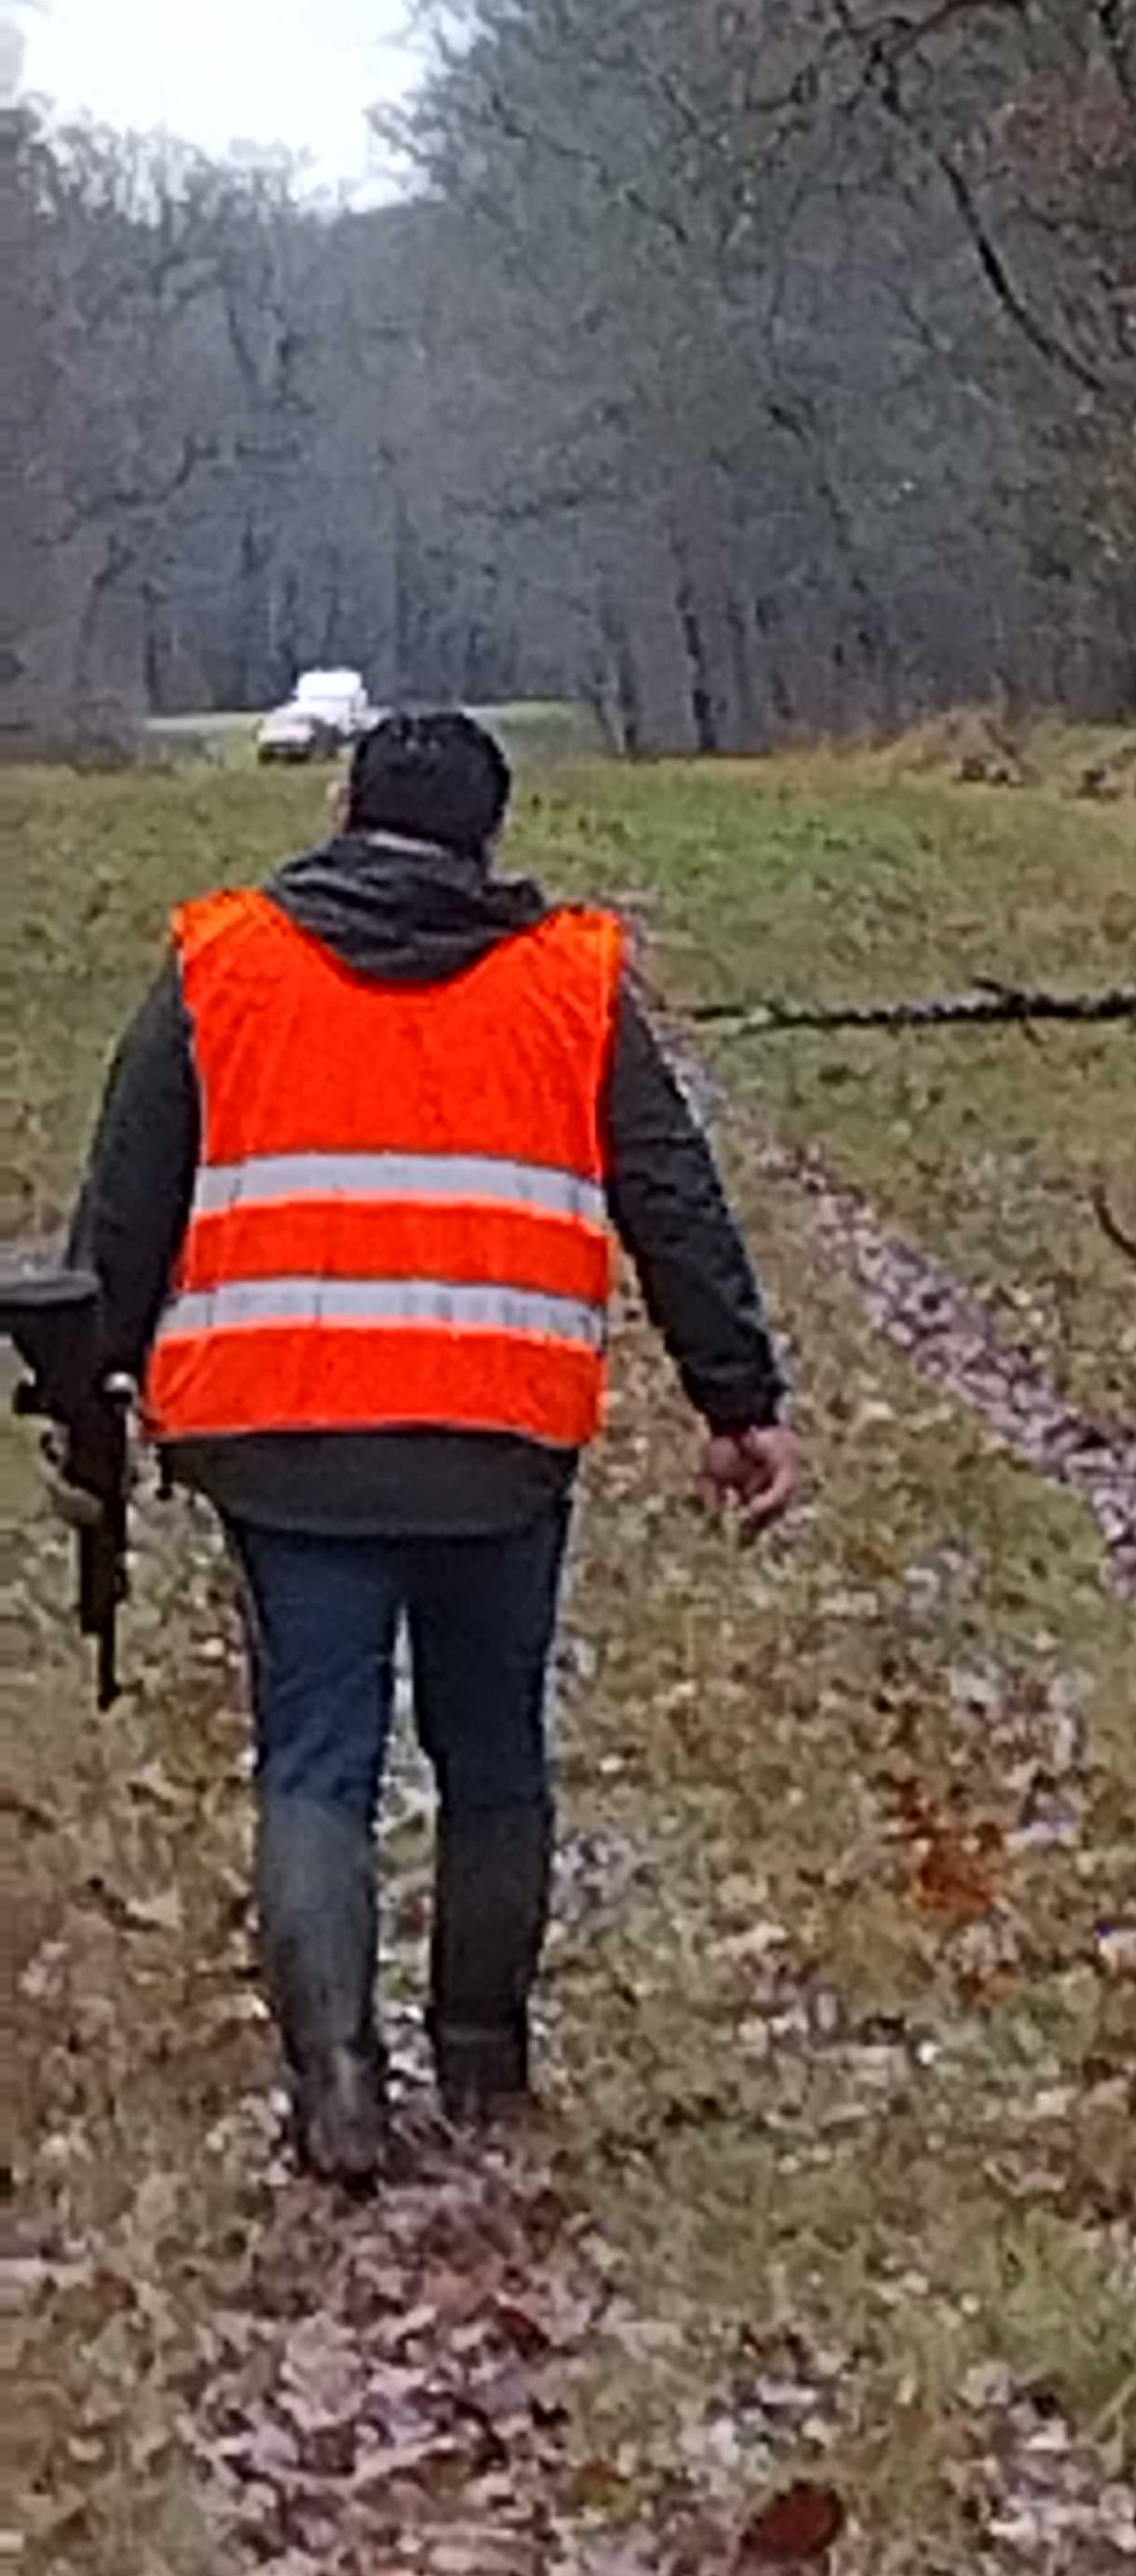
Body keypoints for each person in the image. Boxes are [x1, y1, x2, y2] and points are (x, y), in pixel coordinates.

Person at [69, 709, 800, 2190]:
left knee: (316, 1763)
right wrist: (740, 1402)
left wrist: (95, 1386)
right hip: (499, 1440)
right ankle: (485, 2065)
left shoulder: (228, 959)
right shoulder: (570, 981)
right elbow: (673, 1197)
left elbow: (125, 1201)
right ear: (492, 832)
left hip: (282, 1439)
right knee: (494, 1756)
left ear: (343, 807)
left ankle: (337, 2089)